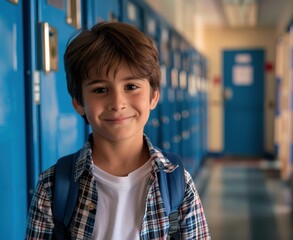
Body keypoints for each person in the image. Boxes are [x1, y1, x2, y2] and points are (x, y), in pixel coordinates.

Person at [26, 21, 211, 239]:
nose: (117, 102)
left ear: (153, 96)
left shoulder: (177, 183)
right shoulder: (53, 185)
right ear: (78, 102)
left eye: (131, 87)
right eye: (100, 89)